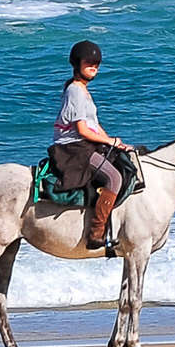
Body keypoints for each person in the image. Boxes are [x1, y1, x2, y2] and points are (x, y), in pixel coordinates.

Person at [48, 40, 134, 251]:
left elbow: (95, 126)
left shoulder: (82, 90)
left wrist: (116, 143)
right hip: (73, 148)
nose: (94, 67)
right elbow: (83, 131)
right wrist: (108, 141)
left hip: (84, 143)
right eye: (89, 63)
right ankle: (96, 233)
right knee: (114, 178)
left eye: (97, 63)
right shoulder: (75, 91)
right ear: (77, 64)